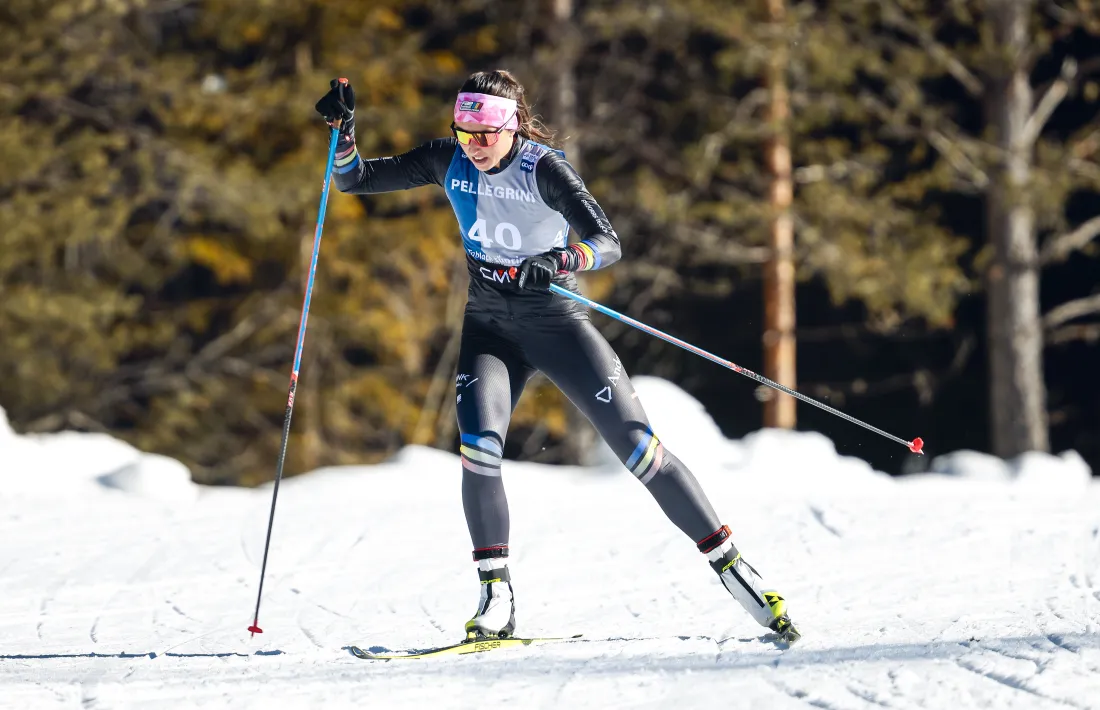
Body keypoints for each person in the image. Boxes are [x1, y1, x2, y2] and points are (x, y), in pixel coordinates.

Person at [314, 70, 800, 645]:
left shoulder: (543, 168)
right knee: (478, 451)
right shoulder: (447, 159)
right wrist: (344, 134)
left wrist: (565, 260)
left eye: (486, 133)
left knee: (641, 449)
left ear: (513, 124)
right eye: (465, 132)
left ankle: (735, 569)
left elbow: (607, 241)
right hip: (490, 328)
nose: (475, 145)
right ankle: (496, 595)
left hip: (555, 325)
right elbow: (355, 181)